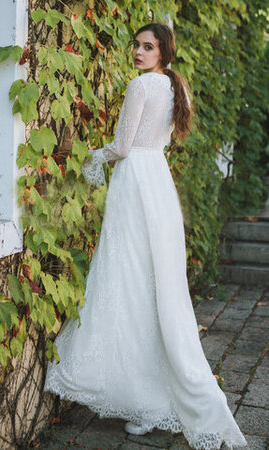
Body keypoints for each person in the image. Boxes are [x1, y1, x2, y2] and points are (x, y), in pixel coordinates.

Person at [44, 23, 248, 450]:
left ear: (163, 51)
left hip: (135, 181)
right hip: (157, 184)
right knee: (158, 288)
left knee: (129, 282)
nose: (138, 52)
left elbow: (122, 145)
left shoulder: (141, 86)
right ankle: (152, 397)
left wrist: (91, 159)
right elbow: (157, 141)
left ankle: (143, 396)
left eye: (147, 46)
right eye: (136, 45)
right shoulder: (178, 88)